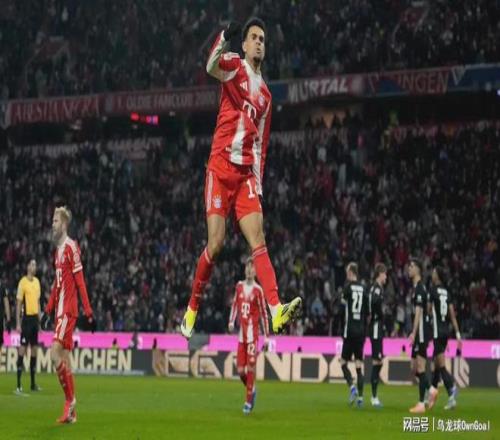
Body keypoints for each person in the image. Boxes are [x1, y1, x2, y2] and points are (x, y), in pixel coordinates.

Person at [180, 17, 301, 339]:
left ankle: (276, 310)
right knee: (216, 244)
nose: (259, 42)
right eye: (254, 38)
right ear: (245, 45)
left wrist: (257, 187)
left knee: (258, 239)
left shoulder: (266, 97)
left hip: (245, 175)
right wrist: (224, 37)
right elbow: (210, 66)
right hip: (220, 169)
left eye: (262, 39)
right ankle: (192, 306)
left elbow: (261, 146)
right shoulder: (234, 66)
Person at [42, 206, 94, 424]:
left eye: (55, 221)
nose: (52, 224)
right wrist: (48, 309)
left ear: (63, 224)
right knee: (65, 359)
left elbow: (80, 281)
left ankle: (69, 402)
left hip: (68, 311)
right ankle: (72, 413)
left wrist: (88, 310)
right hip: (59, 312)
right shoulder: (58, 251)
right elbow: (57, 285)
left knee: (54, 354)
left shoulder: (72, 247)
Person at [228, 257, 269, 414]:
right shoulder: (239, 286)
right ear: (245, 269)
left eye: (252, 268)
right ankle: (252, 389)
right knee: (240, 371)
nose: (250, 270)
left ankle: (248, 401)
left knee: (251, 367)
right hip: (241, 336)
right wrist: (231, 321)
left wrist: (267, 336)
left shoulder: (258, 290)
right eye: (248, 267)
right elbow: (234, 305)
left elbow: (264, 314)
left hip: (253, 336)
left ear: (256, 271)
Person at [427, 266, 462, 410]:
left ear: (438, 276)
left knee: (441, 366)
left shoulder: (432, 291)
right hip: (445, 332)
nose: (432, 274)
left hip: (437, 332)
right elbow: (452, 315)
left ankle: (451, 390)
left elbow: (429, 310)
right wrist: (458, 334)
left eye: (434, 272)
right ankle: (431, 395)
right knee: (436, 366)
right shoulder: (447, 293)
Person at [339, 262, 368, 408]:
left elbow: (342, 305)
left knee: (343, 362)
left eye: (347, 272)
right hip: (361, 331)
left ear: (351, 272)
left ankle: (352, 387)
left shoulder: (348, 287)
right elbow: (367, 311)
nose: (346, 275)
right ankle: (361, 398)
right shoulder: (364, 288)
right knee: (358, 365)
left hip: (349, 330)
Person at [15, 258, 42, 394]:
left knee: (34, 350)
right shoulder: (22, 282)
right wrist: (18, 323)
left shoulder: (37, 282)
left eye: (35, 265)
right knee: (22, 349)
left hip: (34, 321)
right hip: (26, 320)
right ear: (27, 267)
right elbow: (19, 304)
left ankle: (32, 384)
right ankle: (18, 385)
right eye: (32, 264)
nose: (34, 267)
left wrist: (40, 322)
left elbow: (38, 303)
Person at [408, 258, 431, 414]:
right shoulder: (418, 288)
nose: (409, 269)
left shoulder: (420, 288)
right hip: (420, 332)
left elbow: (419, 312)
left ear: (417, 269)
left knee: (421, 367)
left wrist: (414, 332)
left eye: (411, 266)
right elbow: (427, 308)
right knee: (414, 367)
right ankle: (430, 390)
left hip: (421, 333)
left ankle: (422, 403)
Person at [368, 263, 387, 407]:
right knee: (377, 361)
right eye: (385, 274)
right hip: (375, 328)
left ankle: (374, 396)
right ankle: (374, 397)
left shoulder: (376, 288)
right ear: (380, 274)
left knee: (379, 361)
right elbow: (374, 302)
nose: (386, 277)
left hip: (377, 327)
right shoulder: (376, 289)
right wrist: (380, 315)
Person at [0, 278, 11, 349]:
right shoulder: (2, 287)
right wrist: (8, 320)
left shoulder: (2, 287)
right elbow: (6, 303)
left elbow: (6, 303)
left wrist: (8, 320)